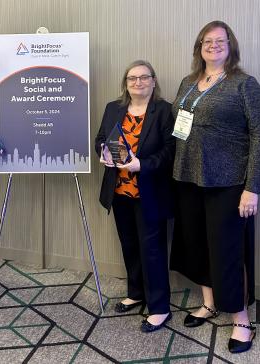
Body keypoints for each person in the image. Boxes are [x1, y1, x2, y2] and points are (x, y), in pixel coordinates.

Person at [170, 21, 260, 353]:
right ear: (199, 46)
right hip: (188, 177)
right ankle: (209, 302)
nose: (213, 45)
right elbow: (179, 127)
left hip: (228, 183)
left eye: (220, 40)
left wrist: (252, 187)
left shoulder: (245, 85)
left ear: (231, 45)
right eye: (206, 40)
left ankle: (241, 320)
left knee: (228, 251)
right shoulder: (188, 82)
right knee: (196, 243)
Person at [95, 60, 175, 332]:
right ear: (125, 83)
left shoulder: (164, 111)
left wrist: (142, 164)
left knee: (152, 250)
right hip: (119, 191)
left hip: (150, 192)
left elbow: (170, 151)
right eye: (132, 78)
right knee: (129, 244)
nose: (138, 83)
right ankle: (136, 292)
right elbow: (100, 140)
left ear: (154, 81)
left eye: (144, 77)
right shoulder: (113, 108)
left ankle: (160, 308)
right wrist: (104, 154)